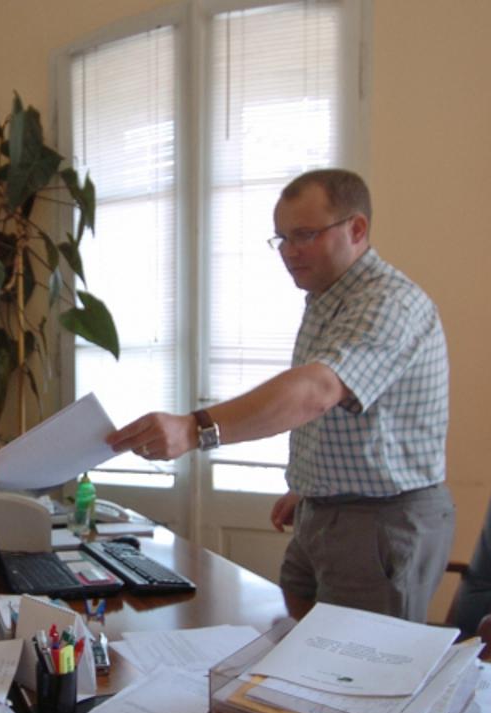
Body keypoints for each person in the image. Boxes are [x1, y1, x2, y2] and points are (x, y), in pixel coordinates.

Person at [108, 168, 453, 624]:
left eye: (305, 235)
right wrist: (309, 485)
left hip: (378, 522)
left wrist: (196, 428)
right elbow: (347, 417)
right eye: (282, 238)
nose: (289, 252)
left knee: (351, 663)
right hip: (322, 512)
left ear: (356, 229)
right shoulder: (328, 299)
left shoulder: (389, 303)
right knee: (294, 647)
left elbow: (318, 390)